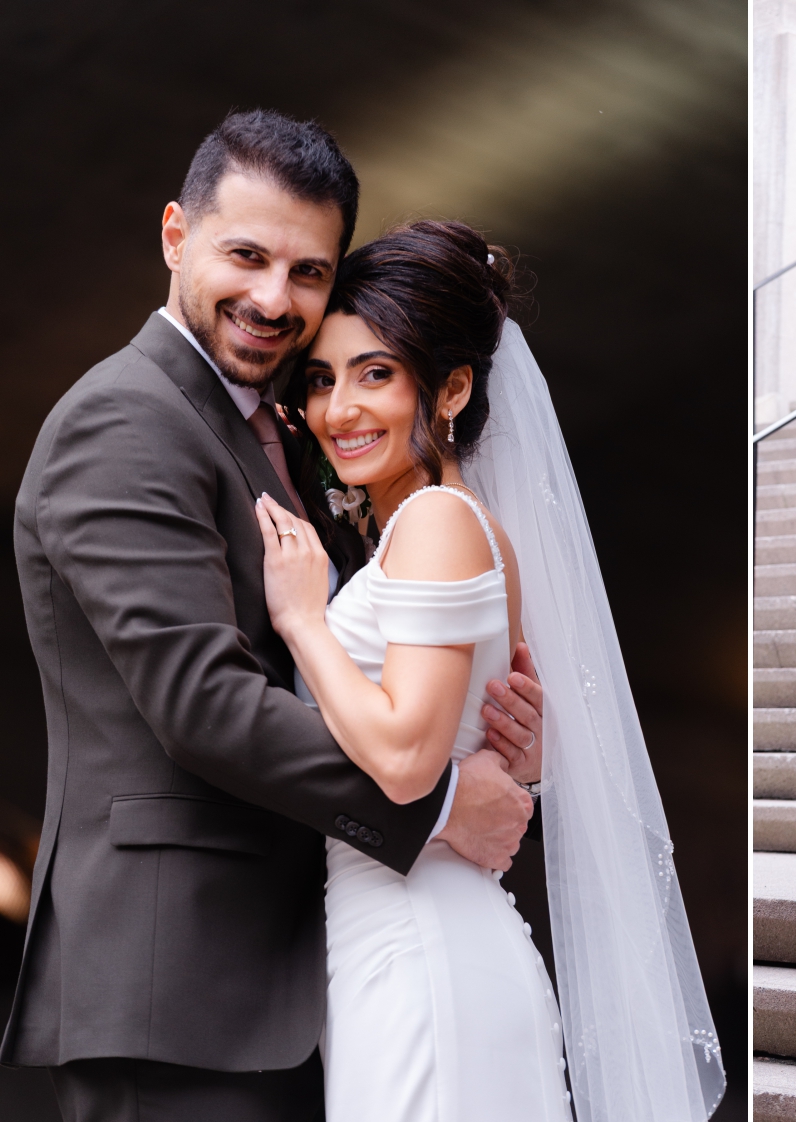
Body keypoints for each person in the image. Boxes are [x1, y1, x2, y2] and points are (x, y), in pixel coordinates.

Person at [1, 111, 545, 1121]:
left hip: (293, 980)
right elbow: (202, 702)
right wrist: (431, 806)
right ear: (175, 235)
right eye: (246, 255)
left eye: (308, 272)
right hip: (178, 984)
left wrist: (490, 724)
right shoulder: (123, 420)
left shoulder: (285, 438)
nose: (273, 297)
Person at [256, 219, 724, 1121]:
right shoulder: (441, 528)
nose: (339, 409)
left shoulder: (436, 520)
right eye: (321, 379)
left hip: (422, 957)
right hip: (410, 945)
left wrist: (304, 623)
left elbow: (404, 761)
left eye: (375, 373)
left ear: (454, 387)